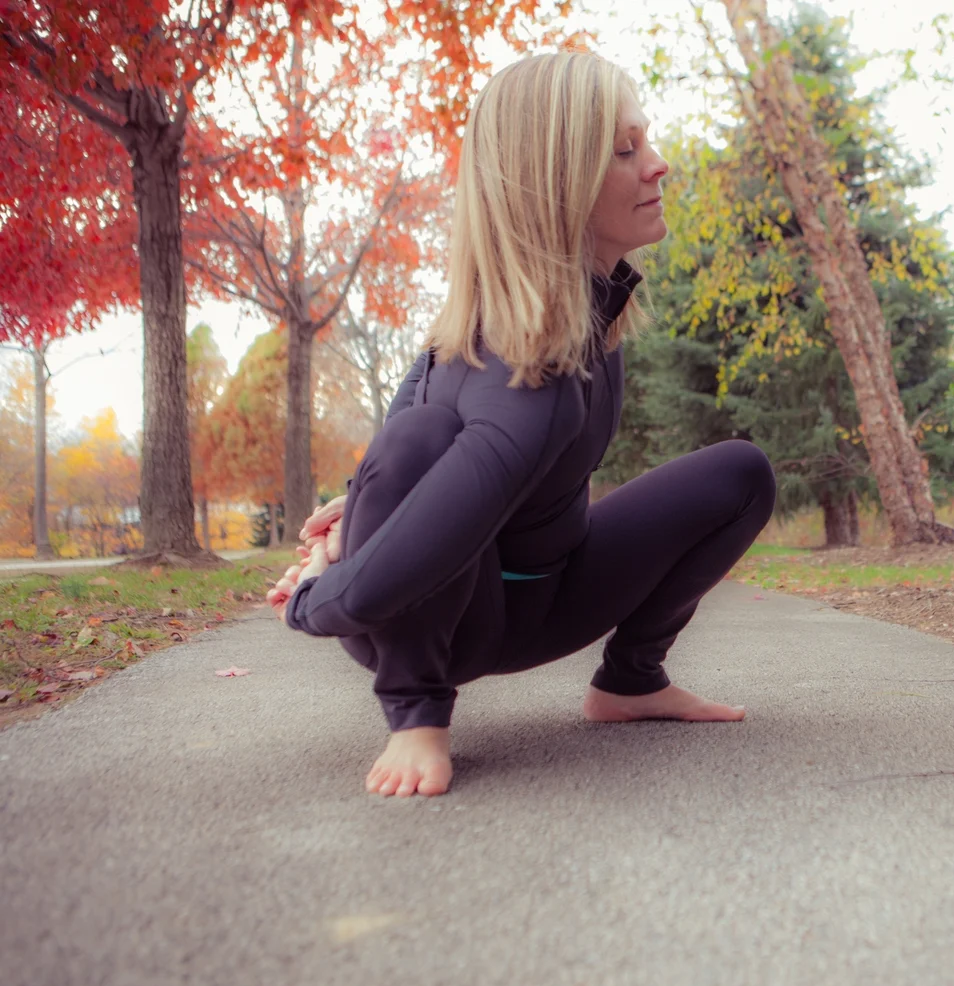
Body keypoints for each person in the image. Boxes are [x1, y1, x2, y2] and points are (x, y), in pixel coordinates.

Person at [264, 52, 776, 799]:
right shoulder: (523, 368)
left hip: (551, 590)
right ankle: (416, 711)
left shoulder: (586, 316)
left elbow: (415, 465)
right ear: (555, 182)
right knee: (416, 444)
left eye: (647, 142)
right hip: (453, 619)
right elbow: (405, 452)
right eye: (626, 151)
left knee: (741, 474)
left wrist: (353, 514)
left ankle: (631, 680)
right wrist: (320, 592)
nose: (658, 166)